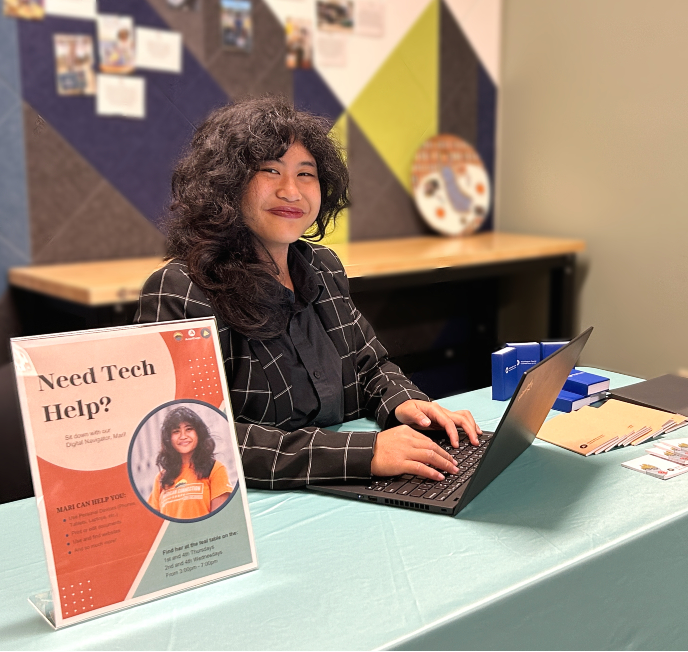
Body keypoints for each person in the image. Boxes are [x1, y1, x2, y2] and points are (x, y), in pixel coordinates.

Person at [135, 96, 481, 490]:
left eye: (306, 174)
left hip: (348, 488)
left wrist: (407, 404)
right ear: (226, 183)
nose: (291, 191)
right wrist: (363, 454)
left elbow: (370, 366)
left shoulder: (323, 266)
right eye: (270, 170)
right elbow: (197, 437)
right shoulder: (183, 290)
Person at [147, 406, 233, 518]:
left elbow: (220, 519)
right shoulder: (161, 478)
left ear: (198, 433)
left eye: (189, 429)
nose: (183, 436)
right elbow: (154, 523)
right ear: (169, 439)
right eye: (176, 431)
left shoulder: (215, 468)